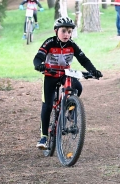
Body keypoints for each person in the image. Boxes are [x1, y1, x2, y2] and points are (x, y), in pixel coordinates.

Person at [33, 17, 103, 149]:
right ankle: (43, 137)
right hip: (50, 75)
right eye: (64, 31)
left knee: (78, 87)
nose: (67, 34)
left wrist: (94, 71)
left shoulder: (72, 45)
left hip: (65, 74)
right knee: (47, 105)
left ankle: (70, 108)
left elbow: (84, 60)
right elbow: (38, 57)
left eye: (69, 32)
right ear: (56, 31)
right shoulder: (49, 42)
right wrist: (39, 65)